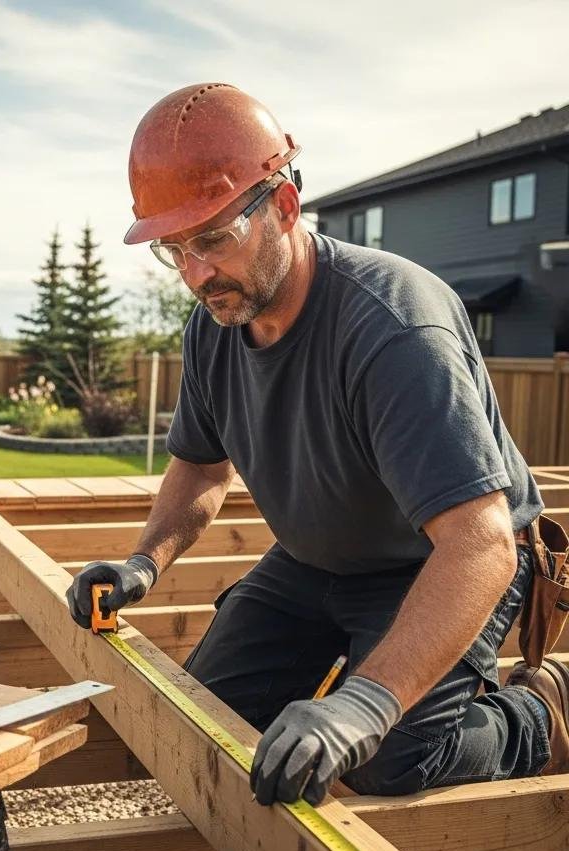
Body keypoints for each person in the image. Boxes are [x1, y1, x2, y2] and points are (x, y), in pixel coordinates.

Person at [66, 83, 569, 806]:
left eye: (212, 239)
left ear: (285, 207)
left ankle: (540, 712)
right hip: (311, 561)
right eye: (176, 249)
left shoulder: (394, 328)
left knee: (388, 761)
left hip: (436, 562)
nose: (196, 274)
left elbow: (480, 546)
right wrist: (145, 563)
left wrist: (366, 704)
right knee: (206, 719)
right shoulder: (215, 327)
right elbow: (202, 466)